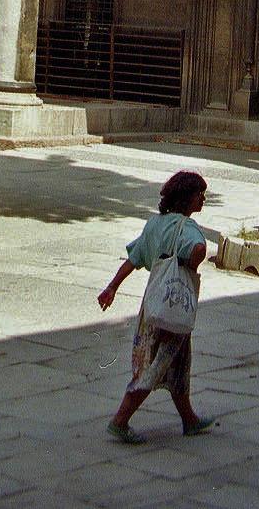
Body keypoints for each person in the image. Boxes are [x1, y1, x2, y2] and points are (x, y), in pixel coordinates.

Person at [97, 169, 214, 443]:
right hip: (174, 307)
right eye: (200, 194)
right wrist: (189, 266)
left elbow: (134, 259)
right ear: (187, 198)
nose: (203, 199)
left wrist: (112, 287)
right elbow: (198, 250)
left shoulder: (153, 224)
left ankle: (189, 419)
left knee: (178, 364)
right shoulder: (187, 228)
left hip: (153, 306)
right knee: (155, 366)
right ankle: (120, 420)